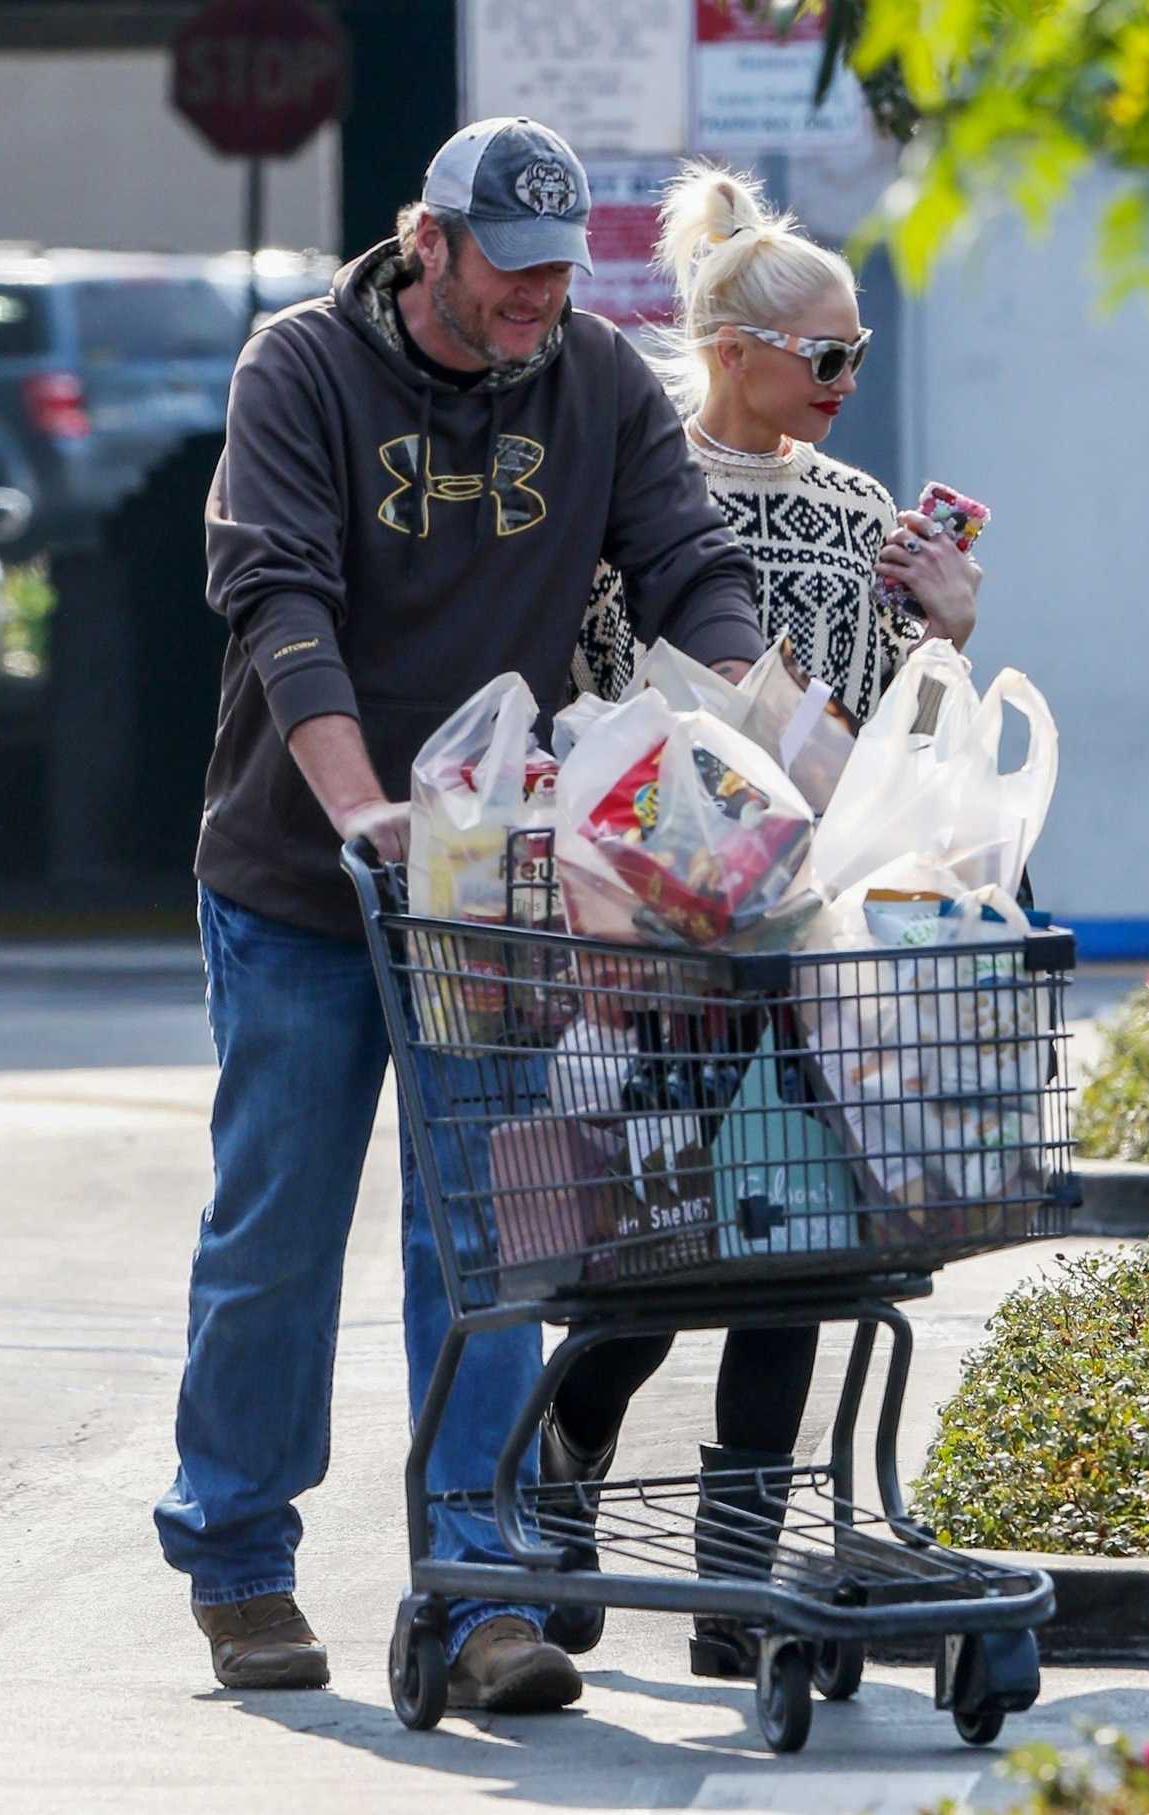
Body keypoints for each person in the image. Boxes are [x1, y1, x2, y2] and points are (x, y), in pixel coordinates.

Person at [153, 119, 765, 1715]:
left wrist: (744, 724)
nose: (541, 298)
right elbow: (280, 603)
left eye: (565, 269)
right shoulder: (298, 373)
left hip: (492, 898)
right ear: (429, 240)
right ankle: (237, 1562)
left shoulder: (601, 381)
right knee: (275, 1231)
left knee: (487, 1242)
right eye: (514, 265)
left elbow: (686, 557)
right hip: (303, 877)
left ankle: (476, 1581)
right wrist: (363, 811)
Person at [544, 163, 981, 1676]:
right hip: (661, 932)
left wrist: (948, 631)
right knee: (653, 1256)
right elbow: (585, 695)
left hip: (806, 936)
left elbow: (883, 745)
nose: (849, 383)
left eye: (857, 354)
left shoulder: (862, 513)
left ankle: (735, 1580)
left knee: (787, 1248)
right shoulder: (634, 488)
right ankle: (561, 1478)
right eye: (827, 356)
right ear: (731, 347)